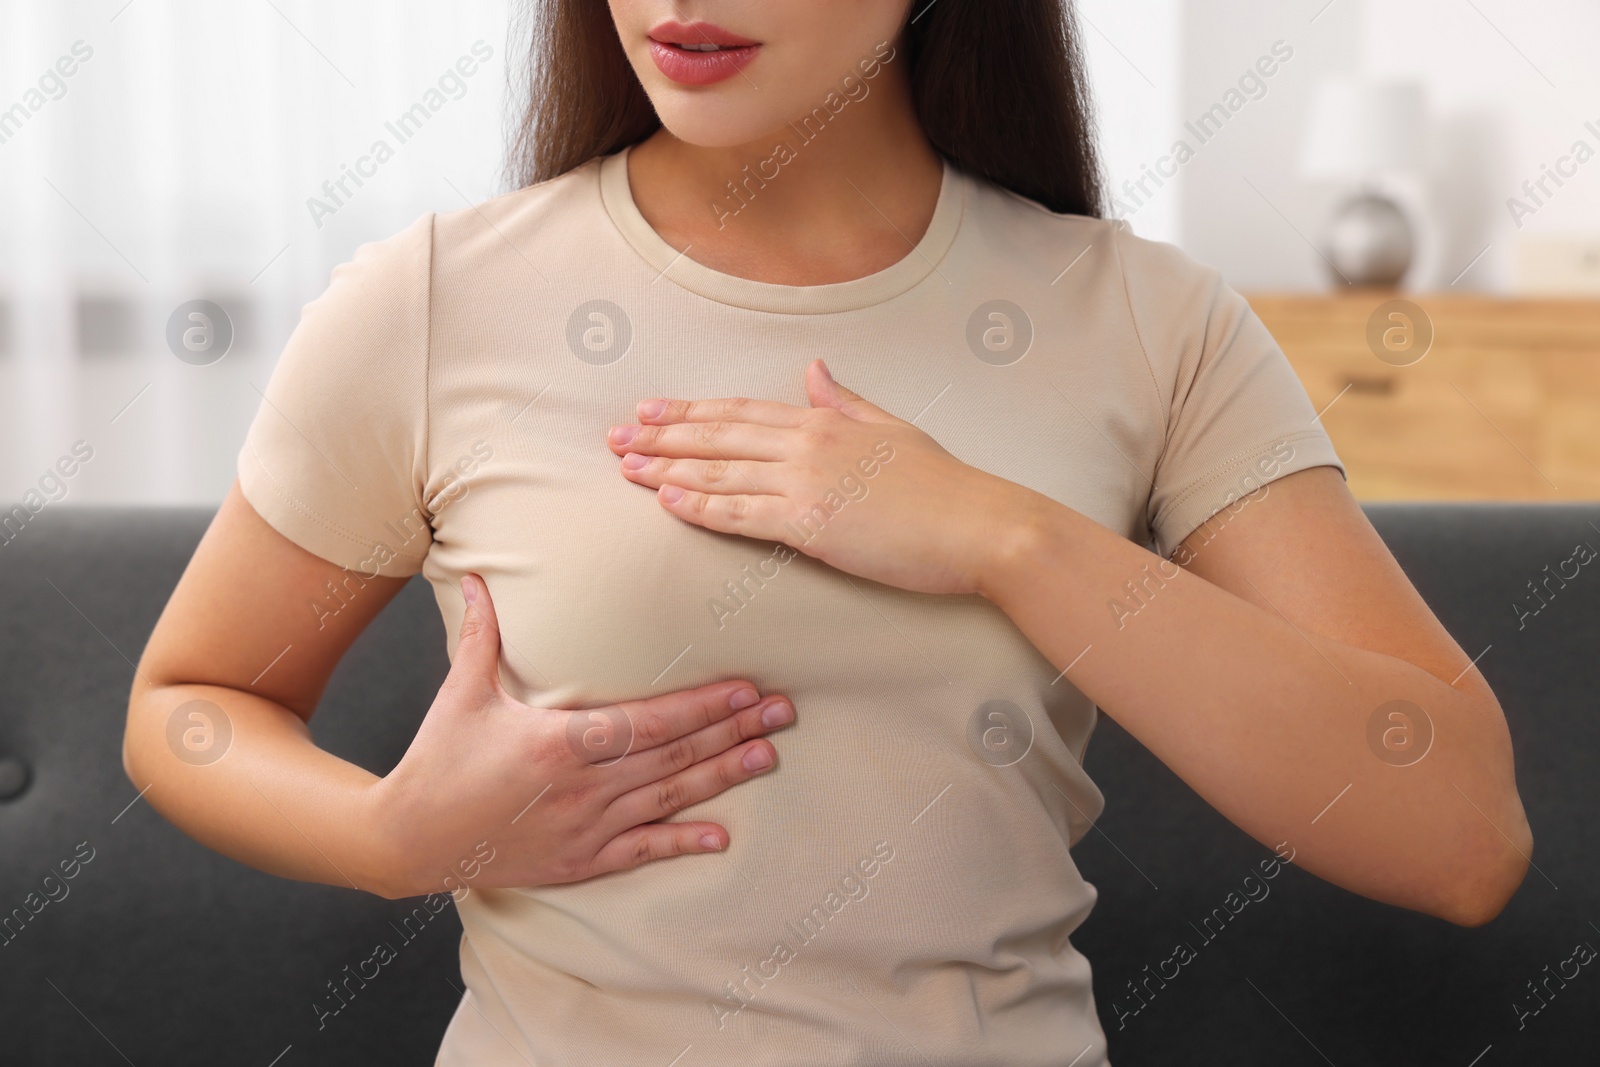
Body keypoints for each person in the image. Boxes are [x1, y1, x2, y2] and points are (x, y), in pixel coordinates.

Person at [123, 2, 1534, 1063]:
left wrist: (1003, 537)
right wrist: (390, 835)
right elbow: (188, 706)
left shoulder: (1151, 326)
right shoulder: (433, 301)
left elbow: (1460, 836)